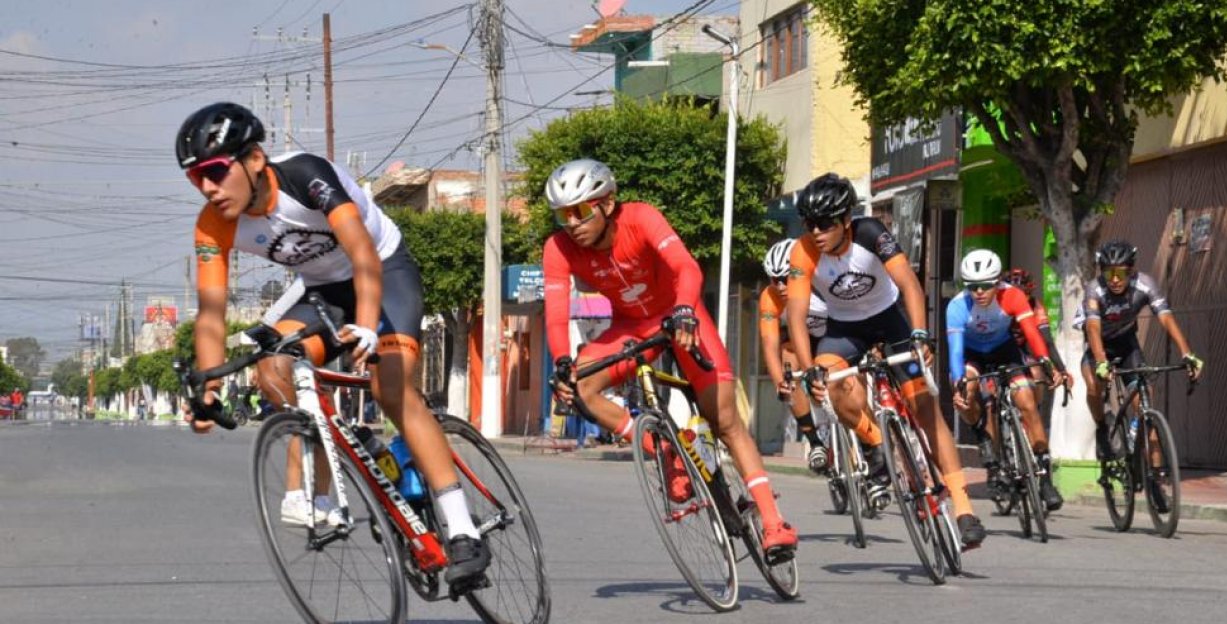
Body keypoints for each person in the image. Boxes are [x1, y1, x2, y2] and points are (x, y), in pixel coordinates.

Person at [175, 102, 489, 587]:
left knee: (389, 387)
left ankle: (462, 526)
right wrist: (209, 388)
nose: (208, 188)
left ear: (254, 160)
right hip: (322, 293)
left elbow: (363, 252)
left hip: (385, 272)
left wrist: (367, 325)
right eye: (197, 179)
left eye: (216, 171)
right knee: (273, 365)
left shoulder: (306, 176)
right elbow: (212, 313)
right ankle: (348, 442)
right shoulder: (212, 225)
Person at [542, 158, 799, 561]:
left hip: (680, 316)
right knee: (579, 385)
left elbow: (686, 266)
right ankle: (664, 449)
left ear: (607, 203)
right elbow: (556, 313)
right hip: (630, 326)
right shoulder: (558, 248)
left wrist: (683, 310)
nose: (570, 223)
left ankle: (772, 521)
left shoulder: (641, 218)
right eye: (562, 214)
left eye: (579, 211)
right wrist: (560, 362)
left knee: (726, 420)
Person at [786, 172, 987, 547]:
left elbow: (909, 284)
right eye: (810, 224)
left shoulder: (871, 233)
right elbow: (796, 315)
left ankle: (962, 507)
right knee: (831, 390)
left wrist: (919, 334)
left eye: (826, 223)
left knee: (925, 409)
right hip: (844, 329)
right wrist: (808, 366)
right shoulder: (803, 251)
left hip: (890, 319)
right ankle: (875, 441)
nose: (816, 231)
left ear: (846, 220)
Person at [946, 250, 1066, 511]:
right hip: (971, 354)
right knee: (966, 390)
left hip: (1005, 351)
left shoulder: (1012, 295)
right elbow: (955, 351)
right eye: (973, 287)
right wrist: (958, 382)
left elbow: (1032, 333)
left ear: (997, 282)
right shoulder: (956, 306)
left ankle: (1044, 478)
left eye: (986, 285)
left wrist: (1045, 362)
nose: (979, 292)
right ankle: (986, 446)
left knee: (1027, 401)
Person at [1081, 240, 1203, 464]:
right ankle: (1101, 427)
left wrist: (1187, 353)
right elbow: (1093, 328)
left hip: (1127, 344)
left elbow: (1166, 318)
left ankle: (1155, 476)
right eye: (1109, 274)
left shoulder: (1145, 284)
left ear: (1132, 270)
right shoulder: (1094, 289)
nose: (1115, 280)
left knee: (1147, 409)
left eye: (1121, 273)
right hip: (1099, 345)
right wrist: (1101, 361)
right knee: (1093, 387)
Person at [757, 239, 831, 473]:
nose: (779, 286)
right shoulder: (770, 298)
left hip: (834, 335)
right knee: (787, 360)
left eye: (785, 277)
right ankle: (815, 441)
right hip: (803, 341)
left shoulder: (819, 284)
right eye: (773, 279)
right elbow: (769, 344)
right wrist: (781, 383)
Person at [1002, 267, 1073, 418]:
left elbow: (1047, 341)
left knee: (1040, 373)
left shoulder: (1036, 307)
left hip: (1020, 349)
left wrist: (1061, 370)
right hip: (999, 347)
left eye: (1024, 295)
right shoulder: (999, 306)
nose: (1019, 301)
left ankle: (1038, 418)